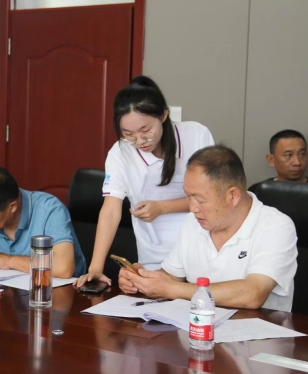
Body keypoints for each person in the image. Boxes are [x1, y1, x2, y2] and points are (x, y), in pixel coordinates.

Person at [118, 145, 298, 312]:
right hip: (196, 327)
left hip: (257, 333)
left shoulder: (276, 226)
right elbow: (171, 277)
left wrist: (173, 290)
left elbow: (253, 294)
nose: (192, 208)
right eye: (188, 197)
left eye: (201, 200)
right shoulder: (193, 221)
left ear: (233, 195)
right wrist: (142, 279)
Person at [74, 76, 214, 288]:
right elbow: (110, 210)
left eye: (146, 130)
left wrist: (162, 208)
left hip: (203, 254)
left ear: (163, 115)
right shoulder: (120, 154)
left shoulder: (195, 135)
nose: (139, 141)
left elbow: (212, 197)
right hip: (155, 260)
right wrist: (95, 268)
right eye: (128, 134)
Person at [0, 165, 86, 278]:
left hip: (60, 296)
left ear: (12, 206)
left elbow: (64, 268)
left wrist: (9, 261)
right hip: (11, 297)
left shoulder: (50, 211)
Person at [248, 129, 308, 194]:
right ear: (271, 160)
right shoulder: (257, 191)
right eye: (288, 155)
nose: (297, 162)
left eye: (302, 154)